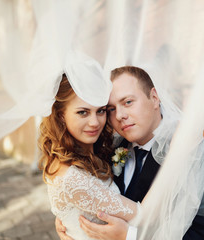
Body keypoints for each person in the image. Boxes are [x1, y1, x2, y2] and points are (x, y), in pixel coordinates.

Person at [56, 66, 204, 240]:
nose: (120, 115)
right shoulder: (112, 148)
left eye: (128, 102)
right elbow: (94, 196)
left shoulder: (199, 153)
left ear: (154, 98)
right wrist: (70, 218)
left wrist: (130, 237)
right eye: (111, 109)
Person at [39, 54, 141, 240]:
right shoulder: (71, 178)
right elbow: (142, 216)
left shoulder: (95, 150)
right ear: (61, 116)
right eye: (83, 112)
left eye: (100, 110)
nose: (95, 122)